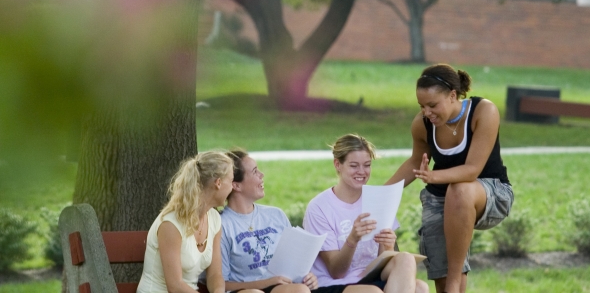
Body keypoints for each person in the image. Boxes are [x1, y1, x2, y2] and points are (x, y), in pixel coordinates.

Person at [386, 64, 513, 293]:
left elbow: (472, 170)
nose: (426, 112)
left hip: (491, 194)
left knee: (460, 190)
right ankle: (451, 286)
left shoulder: (483, 112)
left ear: (453, 95)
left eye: (433, 105)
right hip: (442, 199)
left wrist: (433, 176)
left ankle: (454, 284)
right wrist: (381, 194)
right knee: (442, 284)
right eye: (422, 106)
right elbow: (416, 162)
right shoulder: (422, 124)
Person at [218, 148, 381, 293]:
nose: (262, 175)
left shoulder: (276, 215)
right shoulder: (223, 225)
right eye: (254, 172)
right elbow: (220, 285)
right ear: (236, 186)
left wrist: (307, 276)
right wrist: (265, 283)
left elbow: (294, 263)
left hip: (285, 287)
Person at [303, 134, 429, 293]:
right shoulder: (319, 207)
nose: (362, 172)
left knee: (410, 266)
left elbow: (384, 261)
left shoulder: (378, 199)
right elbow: (336, 272)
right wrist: (353, 238)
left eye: (367, 165)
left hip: (370, 276)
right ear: (337, 164)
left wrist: (387, 245)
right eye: (354, 166)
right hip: (333, 284)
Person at [138, 151, 234, 293]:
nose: (232, 187)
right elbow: (175, 286)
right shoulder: (171, 224)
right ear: (218, 183)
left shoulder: (214, 219)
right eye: (231, 181)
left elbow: (215, 275)